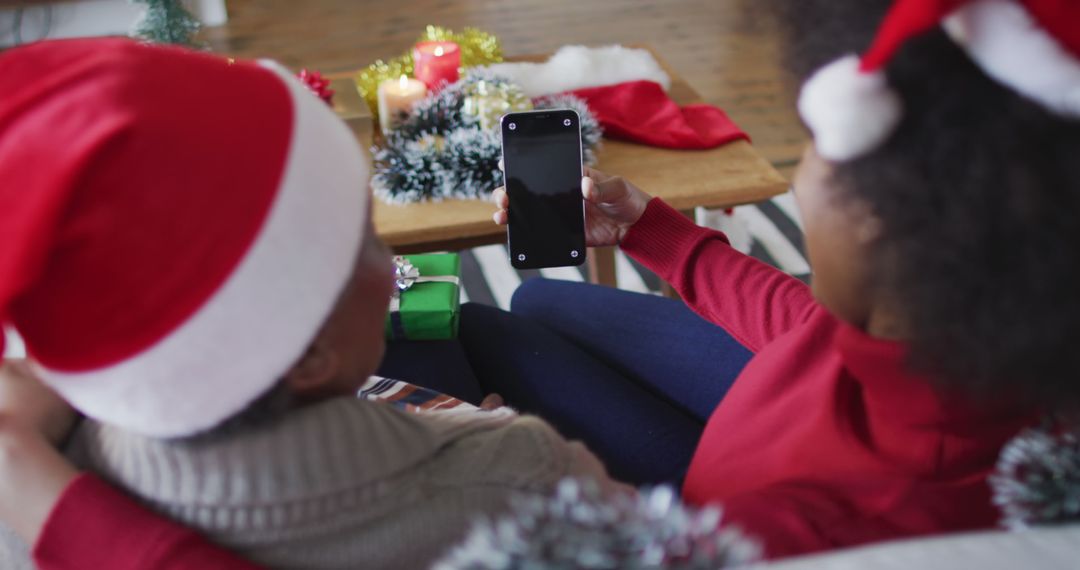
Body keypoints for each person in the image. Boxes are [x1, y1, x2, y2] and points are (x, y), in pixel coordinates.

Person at [387, 0, 1080, 559]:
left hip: (699, 497)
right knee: (538, 296)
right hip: (762, 429)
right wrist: (650, 229)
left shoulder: (796, 533)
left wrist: (526, 453)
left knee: (473, 326)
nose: (803, 177)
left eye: (813, 146)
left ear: (876, 215)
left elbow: (634, 540)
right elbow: (810, 327)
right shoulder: (955, 333)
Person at [0, 37, 621, 570]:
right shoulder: (525, 478)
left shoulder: (63, 473)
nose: (394, 265)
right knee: (523, 310)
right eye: (370, 244)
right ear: (313, 357)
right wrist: (484, 440)